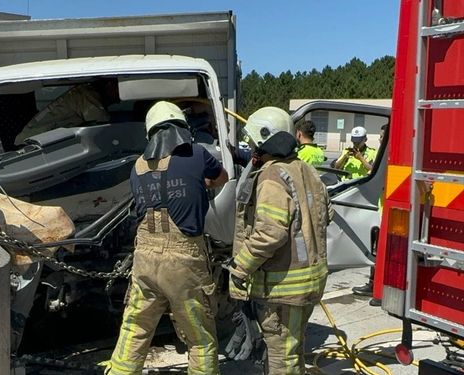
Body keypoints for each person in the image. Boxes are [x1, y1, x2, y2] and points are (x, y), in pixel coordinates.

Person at [106, 101, 228, 375]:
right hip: (184, 260)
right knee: (200, 339)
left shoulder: (137, 166)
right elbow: (222, 177)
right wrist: (200, 184)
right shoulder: (197, 155)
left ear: (150, 133)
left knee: (135, 329)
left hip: (145, 259)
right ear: (182, 129)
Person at [228, 107, 333, 374]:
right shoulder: (308, 171)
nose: (251, 147)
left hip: (284, 288)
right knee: (293, 349)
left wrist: (240, 267)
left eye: (253, 141)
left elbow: (270, 233)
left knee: (282, 357)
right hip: (310, 282)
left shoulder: (272, 176)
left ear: (265, 139)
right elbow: (326, 214)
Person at [352, 123, 389, 306]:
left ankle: (377, 286)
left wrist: (360, 158)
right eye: (381, 137)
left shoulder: (382, 156)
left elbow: (372, 172)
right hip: (378, 207)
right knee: (376, 251)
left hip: (383, 211)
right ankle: (374, 284)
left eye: (383, 137)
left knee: (379, 252)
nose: (381, 139)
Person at [25, 78, 120, 134]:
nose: (118, 99)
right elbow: (103, 128)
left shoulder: (87, 93)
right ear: (110, 84)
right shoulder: (88, 95)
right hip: (33, 143)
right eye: (118, 90)